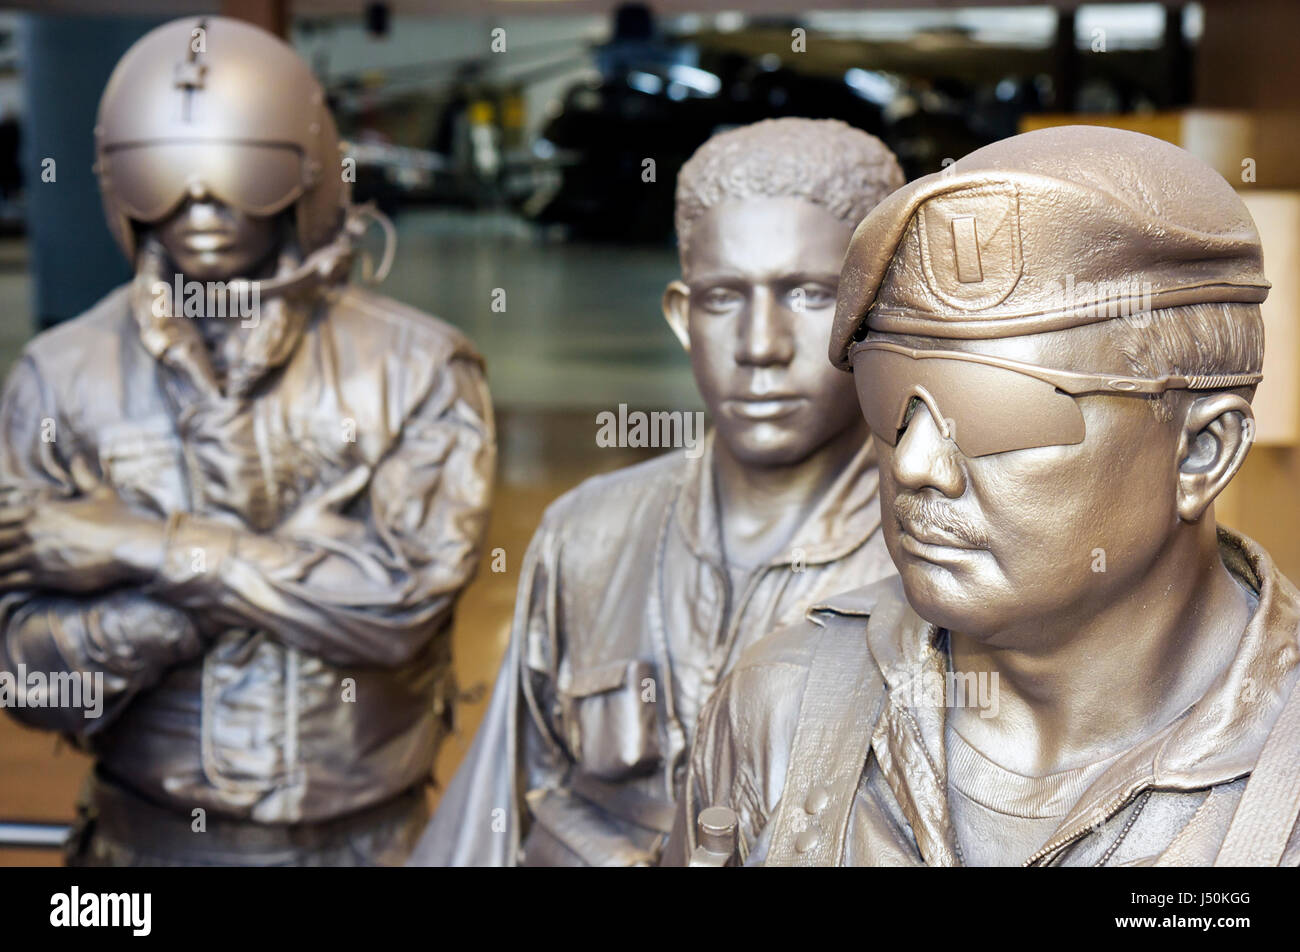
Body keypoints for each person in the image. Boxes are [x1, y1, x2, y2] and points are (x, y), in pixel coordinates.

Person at [667, 125, 1300, 867]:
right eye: (889, 393)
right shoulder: (778, 704)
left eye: (996, 408)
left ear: (1201, 451)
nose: (916, 463)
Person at [0, 16, 495, 865]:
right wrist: (233, 599)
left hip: (370, 843)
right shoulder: (59, 375)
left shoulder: (420, 365)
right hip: (138, 847)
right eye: (160, 172)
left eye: (242, 169)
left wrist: (141, 548)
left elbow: (396, 608)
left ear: (305, 172)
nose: (199, 204)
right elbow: (26, 675)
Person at [411, 118, 903, 865]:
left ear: (872, 311)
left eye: (806, 294)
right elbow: (493, 815)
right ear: (681, 317)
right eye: (722, 298)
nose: (759, 346)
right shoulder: (588, 535)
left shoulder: (936, 562)